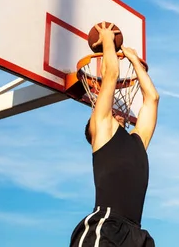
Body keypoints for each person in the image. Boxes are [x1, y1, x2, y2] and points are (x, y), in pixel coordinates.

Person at [70, 23, 159, 247]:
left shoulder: (138, 141)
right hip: (106, 226)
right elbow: (111, 73)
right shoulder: (101, 131)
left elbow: (152, 98)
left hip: (137, 234)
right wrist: (107, 39)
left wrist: (135, 62)